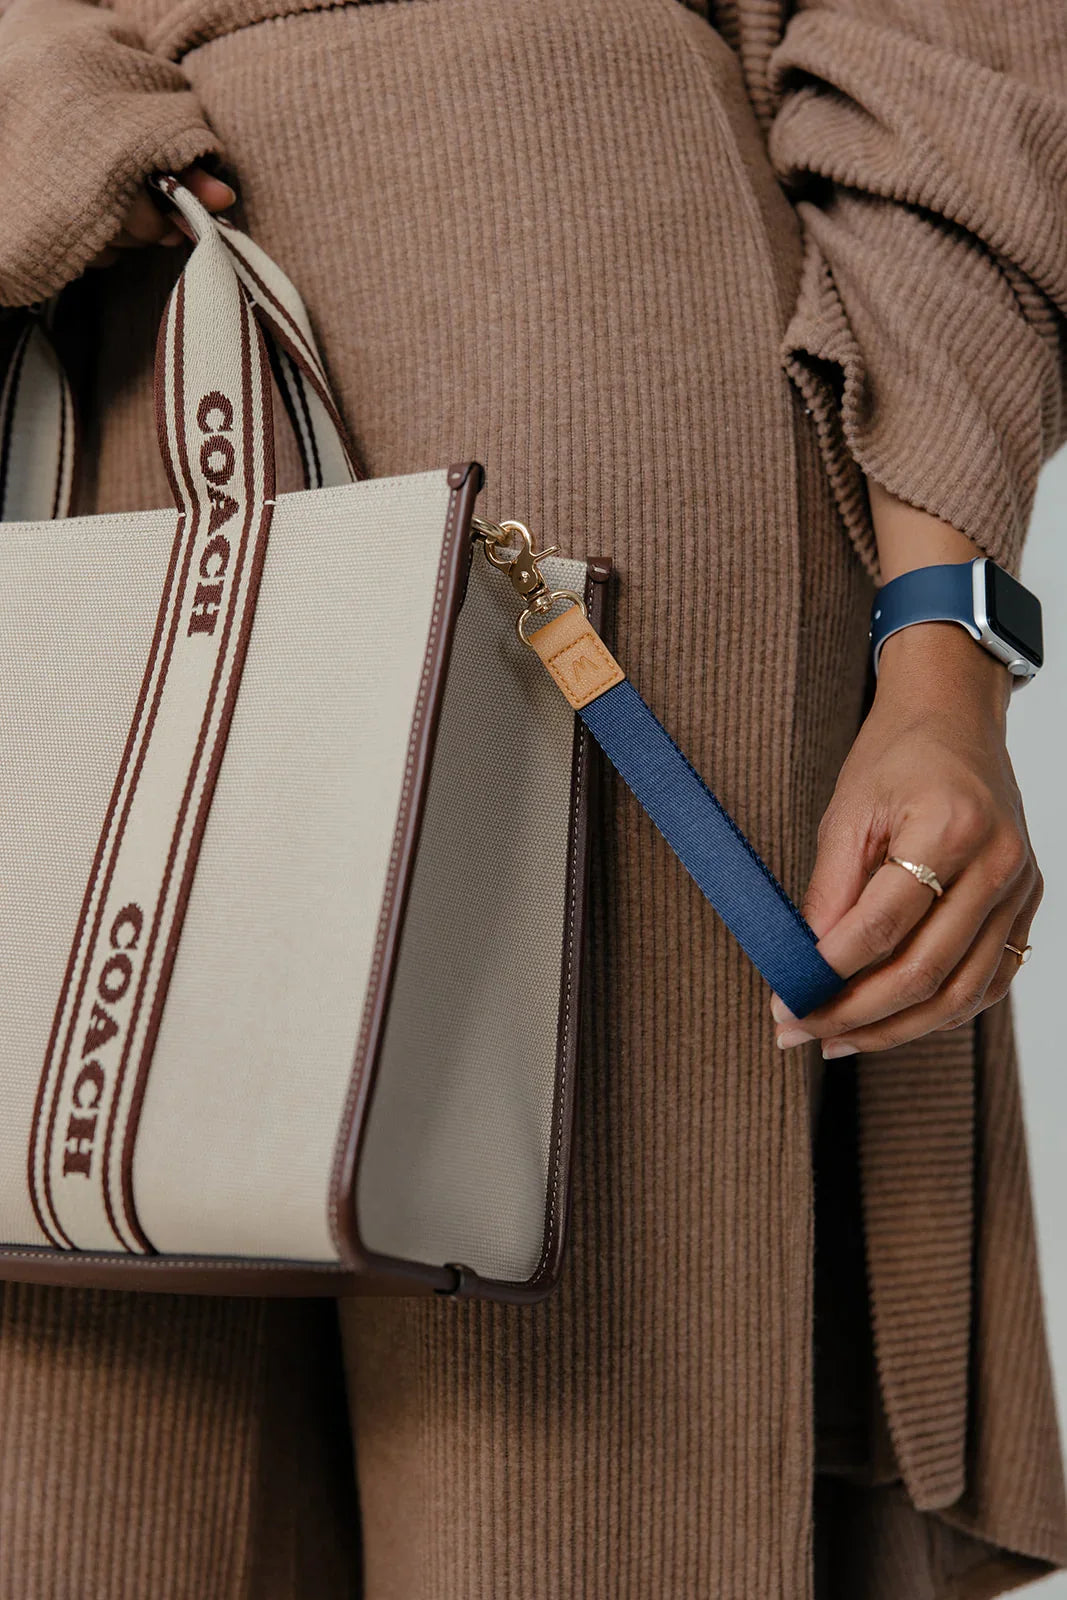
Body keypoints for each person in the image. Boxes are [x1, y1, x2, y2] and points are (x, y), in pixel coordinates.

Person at [0, 0, 1064, 1595]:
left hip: (571, 297)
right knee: (72, 1487)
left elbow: (946, 43)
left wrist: (943, 655)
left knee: (572, 1501)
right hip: (63, 319)